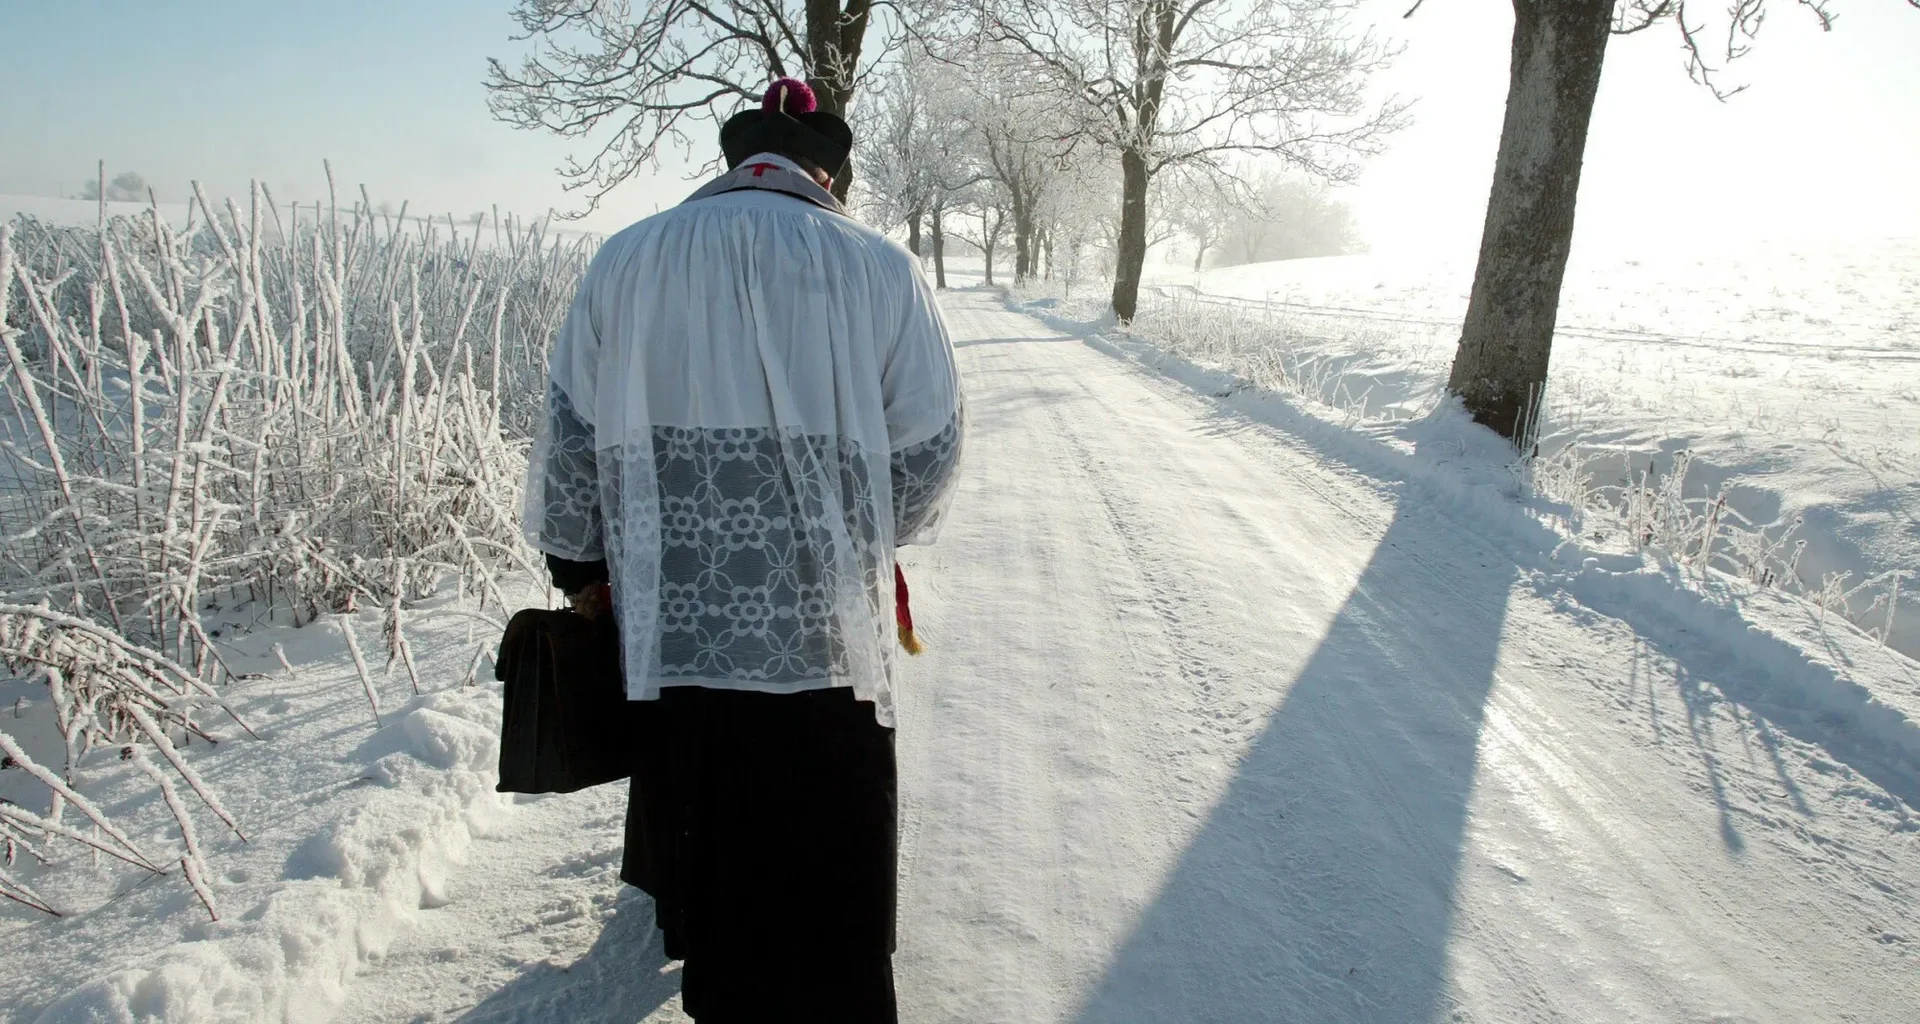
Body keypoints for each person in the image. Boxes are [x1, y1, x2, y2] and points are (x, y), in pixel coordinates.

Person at [525, 76, 965, 1022]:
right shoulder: (879, 268)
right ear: (825, 172)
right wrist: (860, 535)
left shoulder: (627, 260)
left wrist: (589, 570)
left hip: (677, 625)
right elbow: (932, 448)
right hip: (825, 637)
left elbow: (568, 442)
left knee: (712, 850)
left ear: (738, 162)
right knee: (830, 859)